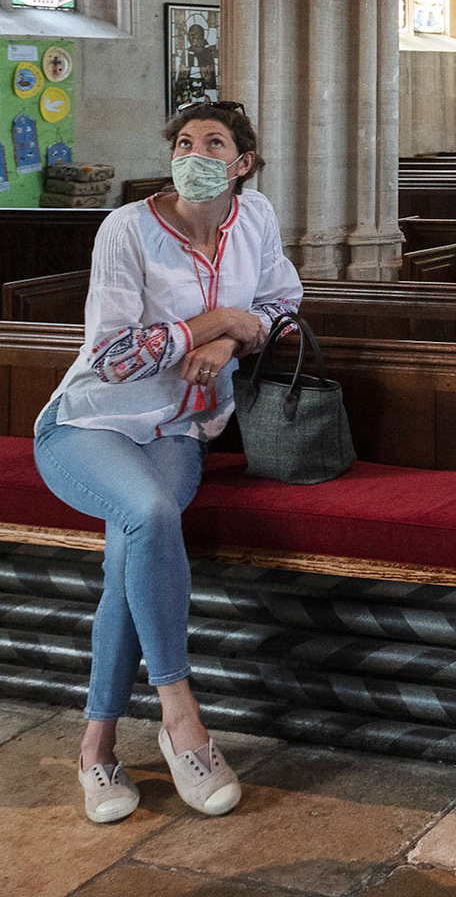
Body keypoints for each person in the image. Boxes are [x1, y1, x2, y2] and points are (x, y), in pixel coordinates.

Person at [34, 100, 300, 824]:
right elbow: (115, 359)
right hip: (91, 423)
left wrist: (231, 344)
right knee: (150, 513)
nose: (195, 152)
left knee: (133, 550)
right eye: (184, 141)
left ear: (241, 163)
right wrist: (215, 323)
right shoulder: (127, 228)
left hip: (180, 432)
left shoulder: (256, 219)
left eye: (214, 142)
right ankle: (183, 717)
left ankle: (96, 748)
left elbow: (283, 302)